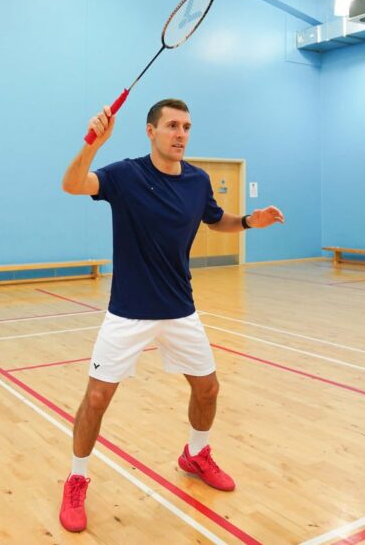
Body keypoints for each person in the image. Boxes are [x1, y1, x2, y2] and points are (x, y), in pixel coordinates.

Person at [58, 98, 285, 533]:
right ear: (150, 131)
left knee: (208, 390)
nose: (181, 134)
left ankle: (195, 455)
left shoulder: (198, 181)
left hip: (180, 310)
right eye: (172, 126)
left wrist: (250, 222)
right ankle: (77, 477)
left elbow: (217, 220)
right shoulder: (125, 175)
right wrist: (93, 143)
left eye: (187, 127)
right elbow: (71, 184)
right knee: (97, 399)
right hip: (128, 312)